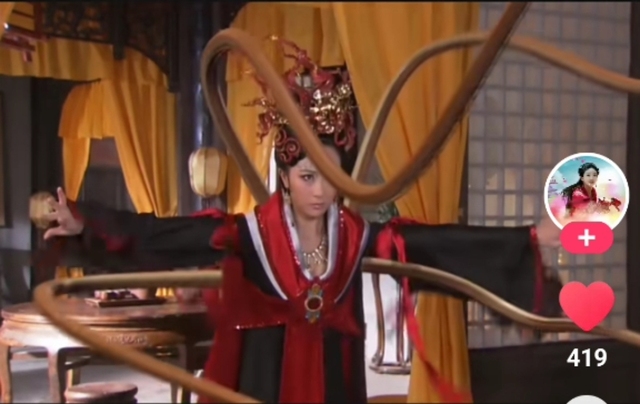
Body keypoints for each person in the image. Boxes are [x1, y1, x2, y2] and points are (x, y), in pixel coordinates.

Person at [39, 39, 562, 404]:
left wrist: (526, 241)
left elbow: (433, 248)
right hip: (262, 384)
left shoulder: (354, 238)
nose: (322, 191)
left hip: (336, 384)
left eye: (332, 177)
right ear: (285, 178)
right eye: (309, 176)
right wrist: (86, 223)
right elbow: (164, 237)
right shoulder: (247, 235)